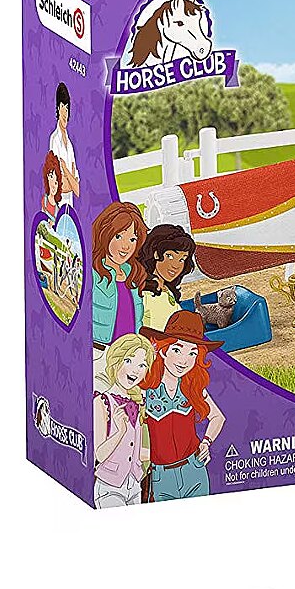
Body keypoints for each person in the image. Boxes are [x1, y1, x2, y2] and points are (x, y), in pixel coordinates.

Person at [139, 311, 226, 500]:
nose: (184, 360)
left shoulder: (192, 387)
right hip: (161, 476)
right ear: (164, 350)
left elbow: (218, 417)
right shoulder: (145, 388)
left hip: (194, 469)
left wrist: (206, 442)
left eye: (192, 353)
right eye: (177, 350)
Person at [93, 333, 154, 509]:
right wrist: (120, 432)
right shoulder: (102, 402)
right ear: (115, 362)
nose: (135, 370)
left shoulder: (138, 403)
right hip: (109, 486)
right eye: (129, 361)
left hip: (134, 484)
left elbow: (137, 448)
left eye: (142, 365)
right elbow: (99, 455)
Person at [90, 203, 148, 380]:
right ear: (105, 234)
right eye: (118, 236)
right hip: (100, 352)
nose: (126, 246)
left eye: (132, 239)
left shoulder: (133, 273)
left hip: (129, 356)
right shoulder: (93, 273)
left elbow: (136, 316)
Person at [137, 223, 196, 331]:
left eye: (182, 259)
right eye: (170, 256)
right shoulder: (144, 294)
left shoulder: (167, 291)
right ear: (156, 253)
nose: (176, 265)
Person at [48, 83, 80, 209]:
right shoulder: (54, 140)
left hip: (70, 205)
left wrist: (66, 171)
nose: (65, 112)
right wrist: (70, 179)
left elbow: (76, 189)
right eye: (62, 107)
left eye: (67, 108)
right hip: (59, 205)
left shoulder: (70, 145)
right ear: (57, 108)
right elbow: (62, 186)